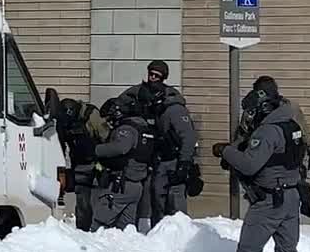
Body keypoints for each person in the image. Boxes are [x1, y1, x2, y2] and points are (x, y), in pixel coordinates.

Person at [212, 86, 310, 252]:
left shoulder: (267, 132)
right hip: (291, 197)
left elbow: (249, 165)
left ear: (263, 109)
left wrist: (225, 151)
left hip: (269, 201)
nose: (249, 117)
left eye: (251, 112)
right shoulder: (292, 126)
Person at [118, 60, 203, 229]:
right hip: (155, 159)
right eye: (151, 74)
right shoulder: (140, 92)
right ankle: (158, 236)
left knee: (175, 203)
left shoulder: (173, 108)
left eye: (157, 76)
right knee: (157, 200)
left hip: (174, 159)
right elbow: (122, 101)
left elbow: (188, 136)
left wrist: (184, 164)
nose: (153, 78)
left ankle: (180, 238)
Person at [234, 76, 310, 178]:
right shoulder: (252, 110)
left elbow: (303, 130)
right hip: (261, 165)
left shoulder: (289, 108)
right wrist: (232, 153)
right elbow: (242, 134)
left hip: (288, 165)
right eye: (261, 91)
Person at [90, 96, 155, 231]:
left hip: (121, 185)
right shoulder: (144, 127)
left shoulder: (126, 128)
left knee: (99, 226)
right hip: (136, 185)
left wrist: (95, 150)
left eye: (110, 117)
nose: (109, 122)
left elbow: (120, 148)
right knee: (125, 231)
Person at [55, 97, 110, 232]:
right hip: (79, 164)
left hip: (97, 163)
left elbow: (106, 138)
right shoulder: (62, 120)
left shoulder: (91, 115)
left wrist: (104, 164)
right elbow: (60, 145)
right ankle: (83, 230)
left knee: (98, 199)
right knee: (82, 202)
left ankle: (99, 230)